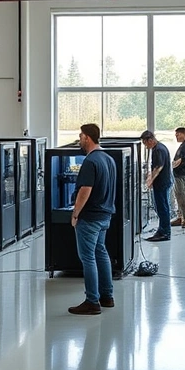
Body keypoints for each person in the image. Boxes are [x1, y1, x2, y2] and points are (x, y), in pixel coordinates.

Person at [68, 123, 117, 315]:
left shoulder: (90, 161)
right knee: (101, 253)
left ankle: (92, 301)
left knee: (88, 258)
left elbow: (85, 190)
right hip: (105, 215)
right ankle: (107, 296)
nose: (79, 140)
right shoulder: (108, 159)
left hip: (90, 217)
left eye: (80, 136)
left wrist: (75, 214)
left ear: (87, 137)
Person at [140, 130, 172, 242]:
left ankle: (165, 232)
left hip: (162, 183)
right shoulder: (158, 148)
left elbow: (158, 167)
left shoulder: (158, 149)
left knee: (162, 208)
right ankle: (162, 229)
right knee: (162, 207)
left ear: (150, 140)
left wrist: (150, 180)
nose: (145, 146)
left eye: (145, 143)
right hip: (163, 182)